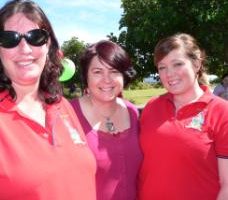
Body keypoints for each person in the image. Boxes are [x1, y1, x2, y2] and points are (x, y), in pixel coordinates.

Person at [0, 0, 96, 200]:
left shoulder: (61, 105)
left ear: (48, 44)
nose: (25, 49)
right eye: (10, 39)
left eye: (36, 37)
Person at [138, 33, 228, 200]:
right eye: (162, 67)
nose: (169, 73)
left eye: (177, 64)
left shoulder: (222, 112)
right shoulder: (152, 107)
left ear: (196, 64)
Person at [70, 40, 143, 200]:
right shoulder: (68, 114)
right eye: (97, 72)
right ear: (86, 76)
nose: (107, 79)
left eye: (114, 71)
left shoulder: (131, 111)